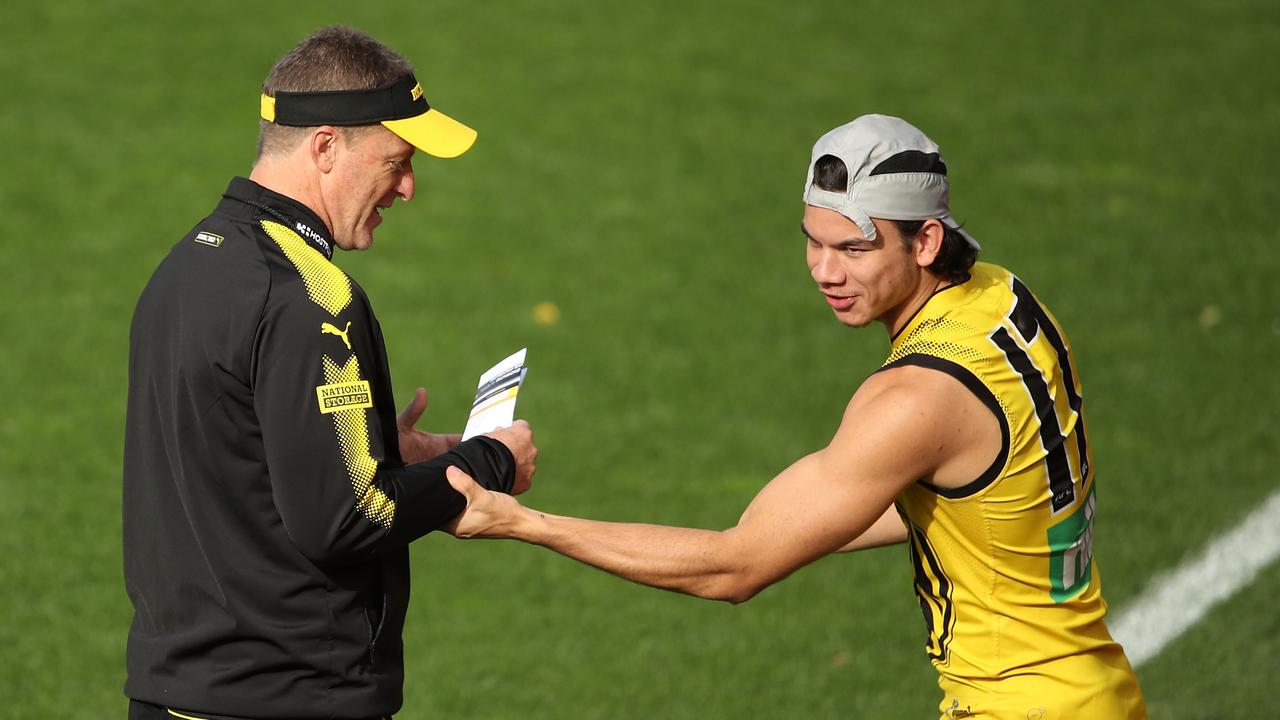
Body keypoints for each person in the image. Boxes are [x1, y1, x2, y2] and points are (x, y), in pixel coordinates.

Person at [443, 115, 1147, 718]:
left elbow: (734, 568)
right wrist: (811, 527)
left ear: (926, 242)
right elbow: (987, 492)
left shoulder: (914, 399)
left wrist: (522, 522)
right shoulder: (1004, 300)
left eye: (853, 248)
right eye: (813, 240)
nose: (824, 271)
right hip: (1092, 686)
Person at [122, 26, 537, 720]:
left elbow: (234, 457)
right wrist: (488, 461)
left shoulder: (187, 265)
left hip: (175, 695)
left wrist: (376, 451)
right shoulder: (310, 299)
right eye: (396, 162)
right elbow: (348, 519)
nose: (407, 188)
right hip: (289, 697)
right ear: (325, 146)